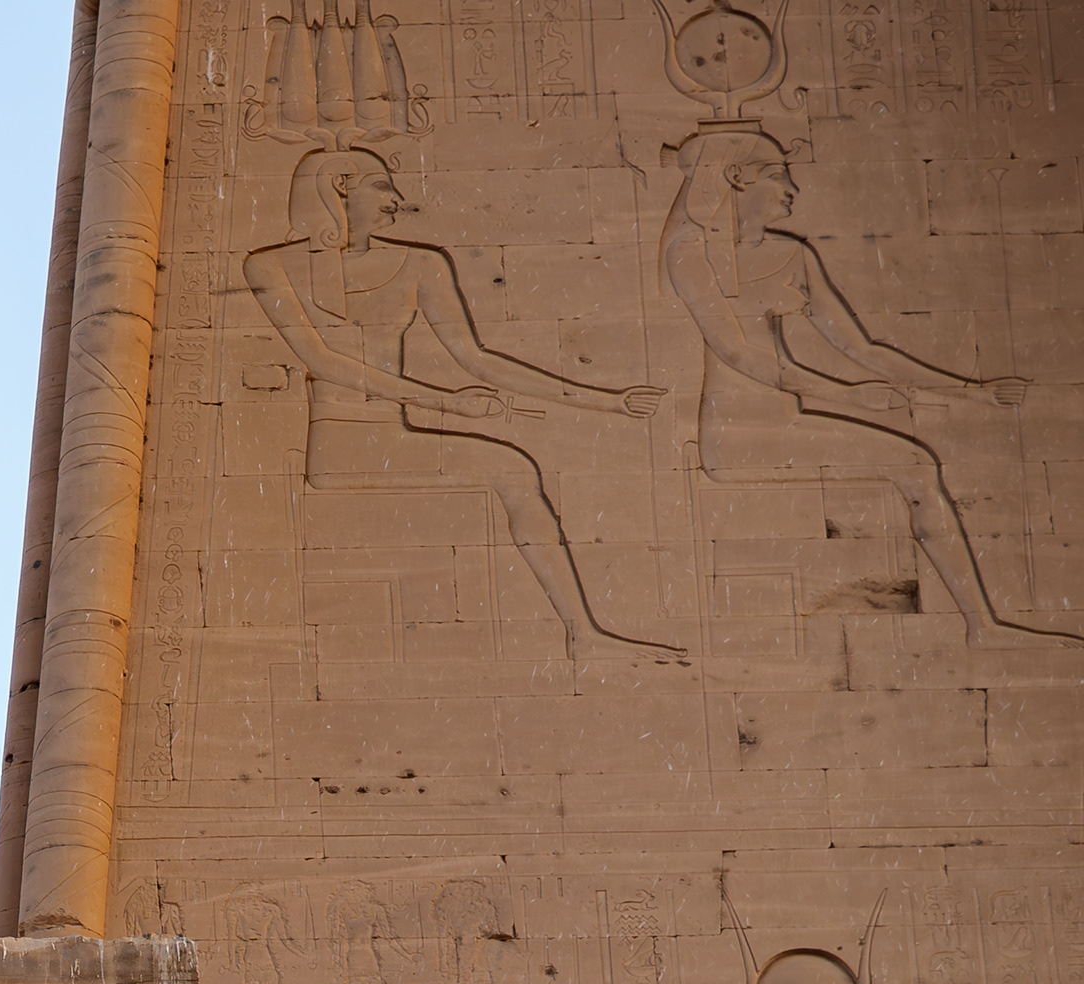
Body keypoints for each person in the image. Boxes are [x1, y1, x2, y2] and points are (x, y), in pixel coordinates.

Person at [242, 147, 681, 670]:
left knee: (514, 465)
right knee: (513, 468)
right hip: (342, 445)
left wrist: (607, 401)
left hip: (392, 433)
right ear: (340, 185)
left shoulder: (421, 264)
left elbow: (478, 361)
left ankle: (583, 634)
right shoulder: (268, 265)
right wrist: (446, 404)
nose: (397, 201)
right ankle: (583, 634)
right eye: (382, 186)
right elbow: (325, 360)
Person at [664, 130, 1076, 652]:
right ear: (736, 177)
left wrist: (972, 390)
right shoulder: (690, 255)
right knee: (916, 465)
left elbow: (863, 349)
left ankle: (982, 627)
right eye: (777, 174)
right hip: (739, 435)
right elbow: (740, 355)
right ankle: (982, 628)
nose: (793, 188)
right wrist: (850, 397)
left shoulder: (792, 254)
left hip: (786, 420)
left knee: (917, 465)